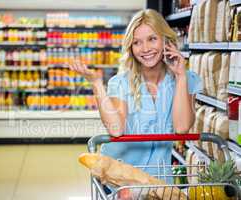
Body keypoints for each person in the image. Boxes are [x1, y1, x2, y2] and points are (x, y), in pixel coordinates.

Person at [67, 9, 202, 185]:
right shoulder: (121, 82)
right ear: (131, 47)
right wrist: (97, 84)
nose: (145, 49)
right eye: (137, 42)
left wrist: (181, 76)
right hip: (119, 178)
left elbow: (182, 127)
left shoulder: (188, 79)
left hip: (157, 181)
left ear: (165, 41)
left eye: (152, 39)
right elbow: (116, 130)